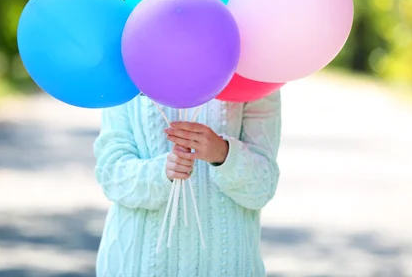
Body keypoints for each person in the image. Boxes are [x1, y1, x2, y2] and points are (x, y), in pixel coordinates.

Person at [94, 90, 282, 276]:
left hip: (226, 266)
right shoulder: (126, 67)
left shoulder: (255, 73)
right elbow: (111, 172)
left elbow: (262, 187)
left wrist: (224, 154)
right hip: (137, 265)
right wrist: (162, 172)